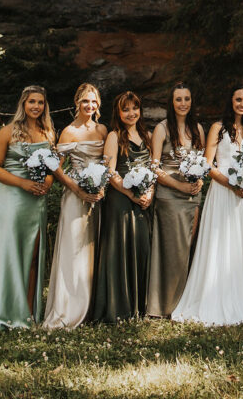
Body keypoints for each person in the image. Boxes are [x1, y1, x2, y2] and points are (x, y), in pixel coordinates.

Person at [172, 83, 243, 326]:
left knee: (241, 243)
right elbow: (207, 164)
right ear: (231, 101)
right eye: (239, 100)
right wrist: (231, 184)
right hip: (223, 191)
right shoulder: (217, 127)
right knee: (220, 242)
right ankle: (214, 296)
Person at [0, 86, 55, 329]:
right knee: (10, 254)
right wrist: (23, 182)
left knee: (32, 255)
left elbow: (53, 167)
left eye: (40, 102)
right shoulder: (7, 132)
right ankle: (6, 309)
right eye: (32, 101)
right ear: (23, 104)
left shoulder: (48, 132)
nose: (36, 106)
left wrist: (46, 184)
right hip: (12, 198)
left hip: (36, 201)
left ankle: (29, 311)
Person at [43, 82, 108, 329]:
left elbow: (107, 162)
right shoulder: (69, 132)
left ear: (98, 105)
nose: (89, 106)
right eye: (85, 101)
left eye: (94, 102)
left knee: (93, 251)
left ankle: (91, 308)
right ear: (77, 103)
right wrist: (78, 189)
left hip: (98, 198)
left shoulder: (102, 130)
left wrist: (101, 187)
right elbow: (56, 166)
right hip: (75, 196)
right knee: (74, 251)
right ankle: (69, 308)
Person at [92, 91, 154, 322]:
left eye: (134, 108)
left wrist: (149, 193)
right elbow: (110, 173)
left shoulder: (147, 136)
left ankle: (140, 305)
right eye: (125, 109)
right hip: (121, 201)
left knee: (142, 248)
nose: (131, 113)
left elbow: (153, 169)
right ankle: (119, 307)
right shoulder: (114, 136)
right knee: (121, 248)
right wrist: (131, 194)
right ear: (118, 113)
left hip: (143, 201)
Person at [147, 81, 205, 318]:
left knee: (188, 248)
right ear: (172, 102)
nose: (183, 103)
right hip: (169, 195)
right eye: (179, 99)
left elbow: (203, 161)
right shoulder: (162, 128)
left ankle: (185, 301)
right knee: (171, 249)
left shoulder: (198, 129)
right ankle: (165, 305)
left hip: (192, 195)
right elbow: (154, 167)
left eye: (187, 99)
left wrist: (200, 179)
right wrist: (179, 185)